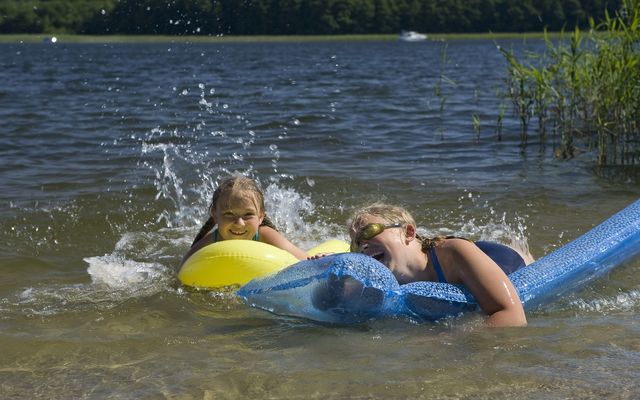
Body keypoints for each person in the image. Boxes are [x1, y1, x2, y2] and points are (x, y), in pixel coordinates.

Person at [348, 203, 531, 327]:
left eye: (369, 232)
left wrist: (443, 340)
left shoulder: (453, 254)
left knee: (519, 257)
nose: (362, 245)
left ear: (408, 232)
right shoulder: (380, 275)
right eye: (355, 243)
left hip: (502, 258)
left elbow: (513, 316)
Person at [184, 175, 308, 261]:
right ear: (215, 215)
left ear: (260, 217)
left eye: (248, 215)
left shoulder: (265, 235)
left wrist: (317, 260)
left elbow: (302, 260)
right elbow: (183, 269)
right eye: (229, 214)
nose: (239, 223)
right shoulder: (210, 242)